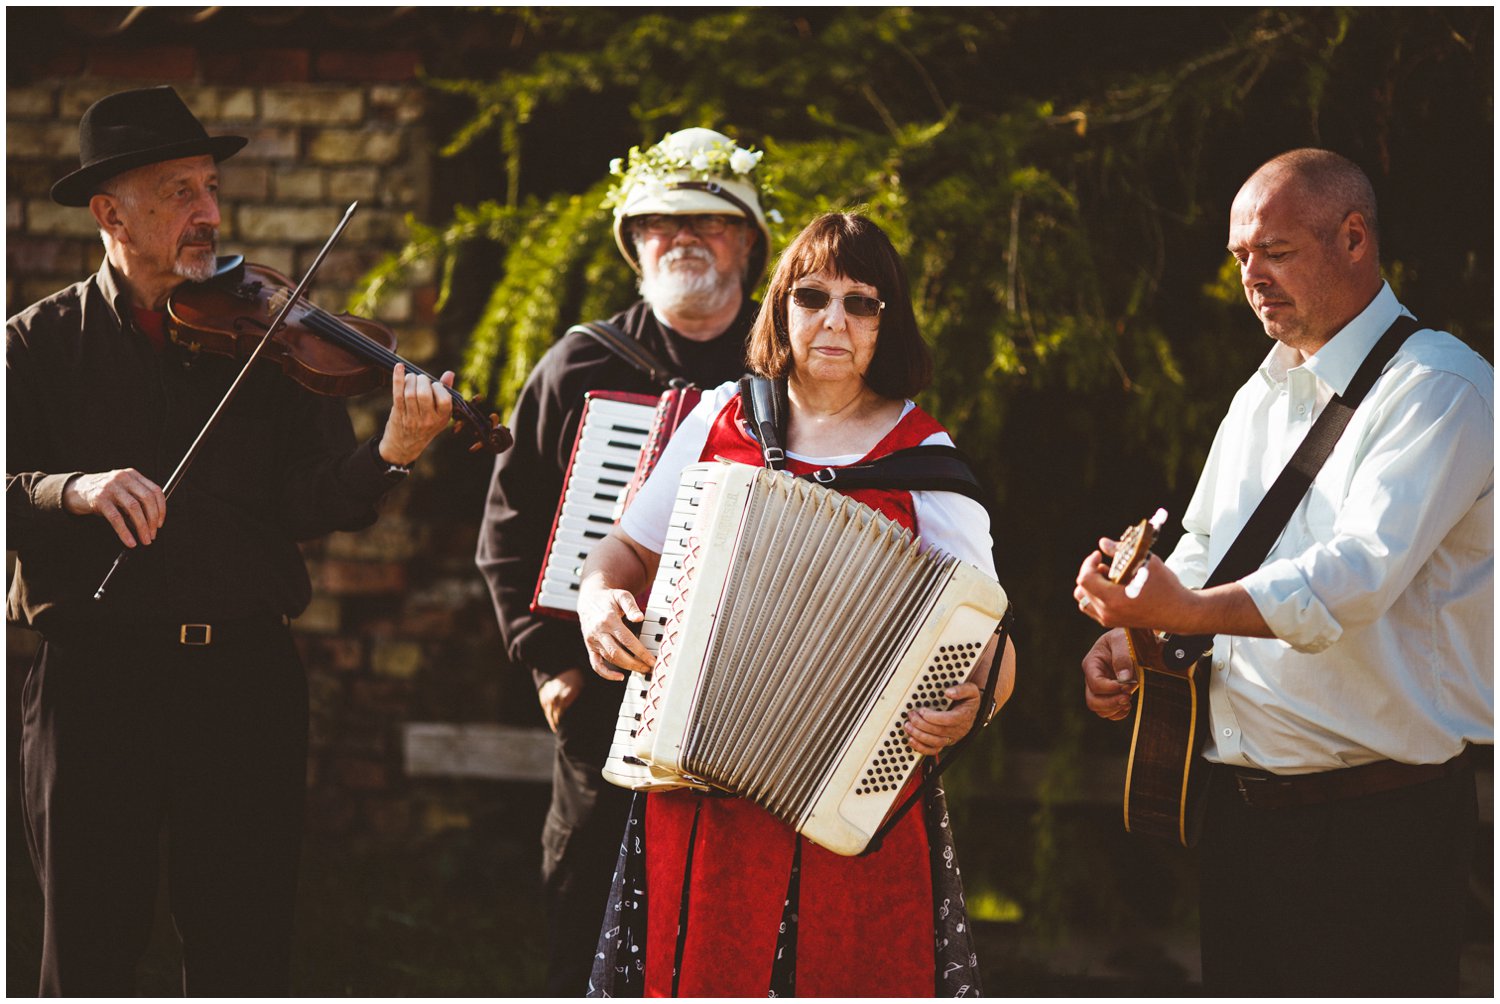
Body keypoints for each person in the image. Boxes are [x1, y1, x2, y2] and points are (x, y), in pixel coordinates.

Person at [7, 85, 457, 995]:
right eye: (177, 192)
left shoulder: (268, 328)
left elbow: (313, 498)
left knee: (242, 953)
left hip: (242, 682)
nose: (208, 212)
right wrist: (72, 490)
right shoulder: (36, 344)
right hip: (96, 684)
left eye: (210, 186)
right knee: (86, 948)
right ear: (109, 212)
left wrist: (393, 455)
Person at [1073, 149, 1492, 994]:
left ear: (1353, 237)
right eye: (1240, 259)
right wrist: (1135, 629)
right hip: (1240, 821)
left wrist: (1186, 611)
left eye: (1277, 251)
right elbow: (1203, 556)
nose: (1253, 277)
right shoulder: (1260, 393)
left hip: (1381, 827)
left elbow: (1358, 575)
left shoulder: (1441, 387)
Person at [577, 212, 1018, 996]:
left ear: (889, 322)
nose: (835, 321)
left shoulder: (927, 464)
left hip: (851, 808)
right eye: (813, 297)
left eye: (862, 302)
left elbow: (989, 639)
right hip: (698, 791)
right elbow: (623, 554)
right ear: (781, 307)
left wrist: (977, 699)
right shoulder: (721, 420)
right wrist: (600, 600)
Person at [474, 128, 772, 995]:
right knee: (591, 913)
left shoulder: (786, 368)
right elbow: (507, 522)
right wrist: (550, 666)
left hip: (748, 695)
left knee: (737, 927)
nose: (684, 236)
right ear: (633, 243)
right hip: (604, 689)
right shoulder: (583, 362)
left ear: (748, 241)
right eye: (660, 222)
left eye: (709, 222)